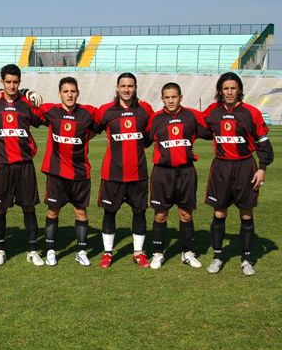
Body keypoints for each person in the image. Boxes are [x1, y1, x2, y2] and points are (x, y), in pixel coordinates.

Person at [203, 72, 274, 276]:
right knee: (219, 213)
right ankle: (218, 256)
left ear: (239, 90)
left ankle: (247, 259)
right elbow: (197, 127)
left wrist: (262, 168)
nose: (229, 92)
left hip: (245, 167)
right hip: (221, 167)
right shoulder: (212, 111)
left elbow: (263, 143)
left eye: (233, 88)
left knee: (246, 213)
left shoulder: (251, 112)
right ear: (220, 91)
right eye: (226, 88)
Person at [0, 64, 45, 266]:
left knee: (29, 207)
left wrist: (30, 94)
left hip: (25, 165)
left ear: (20, 82)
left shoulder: (27, 104)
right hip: (2, 166)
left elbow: (46, 117)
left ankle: (33, 250)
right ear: (2, 81)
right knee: (0, 209)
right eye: (8, 82)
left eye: (16, 82)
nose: (12, 85)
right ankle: (0, 249)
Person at [94, 72, 154, 268]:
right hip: (113, 173)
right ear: (117, 88)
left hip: (138, 173)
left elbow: (150, 136)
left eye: (130, 86)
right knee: (109, 212)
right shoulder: (106, 111)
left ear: (135, 88)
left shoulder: (145, 109)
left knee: (139, 212)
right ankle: (107, 253)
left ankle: (138, 253)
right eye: (123, 86)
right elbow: (91, 130)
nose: (127, 89)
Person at [146, 82, 209, 269]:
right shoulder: (155, 118)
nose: (171, 100)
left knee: (186, 214)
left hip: (186, 172)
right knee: (160, 215)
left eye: (174, 97)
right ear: (162, 99)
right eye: (167, 97)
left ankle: (187, 253)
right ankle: (158, 253)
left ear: (180, 97)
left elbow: (211, 131)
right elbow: (143, 140)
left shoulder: (191, 116)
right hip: (162, 173)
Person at [38, 76, 97, 266]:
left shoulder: (88, 113)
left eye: (73, 91)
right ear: (59, 93)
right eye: (66, 91)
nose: (69, 95)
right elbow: (30, 107)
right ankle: (50, 251)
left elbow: (100, 124)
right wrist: (26, 92)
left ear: (78, 93)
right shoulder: (51, 111)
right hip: (56, 173)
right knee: (53, 211)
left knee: (81, 212)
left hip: (80, 173)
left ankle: (81, 251)